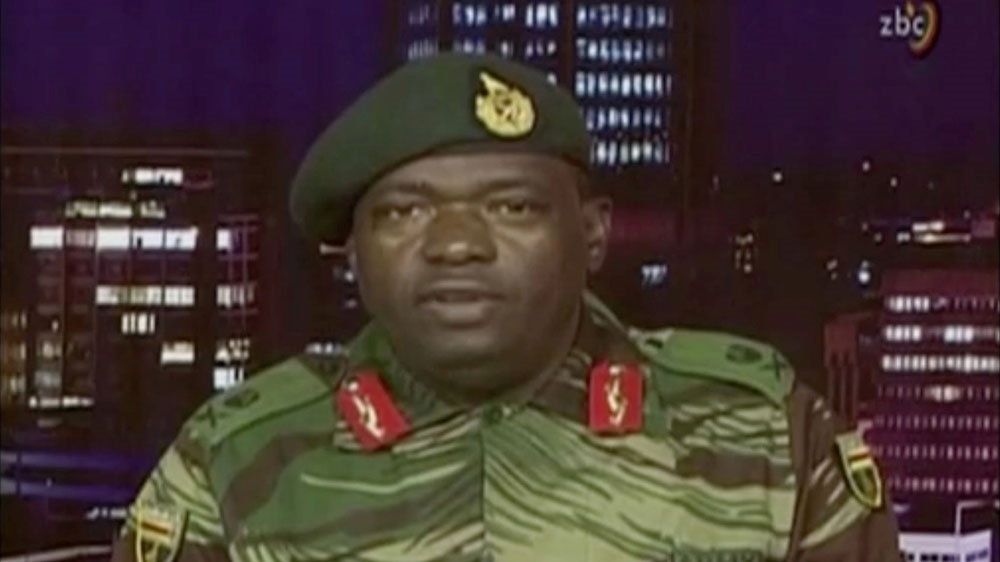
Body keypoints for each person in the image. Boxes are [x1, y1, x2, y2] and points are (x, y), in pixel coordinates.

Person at [111, 52, 901, 562]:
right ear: (351, 252)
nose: (456, 244)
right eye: (403, 212)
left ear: (593, 234)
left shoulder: (767, 436)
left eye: (513, 207)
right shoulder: (235, 458)